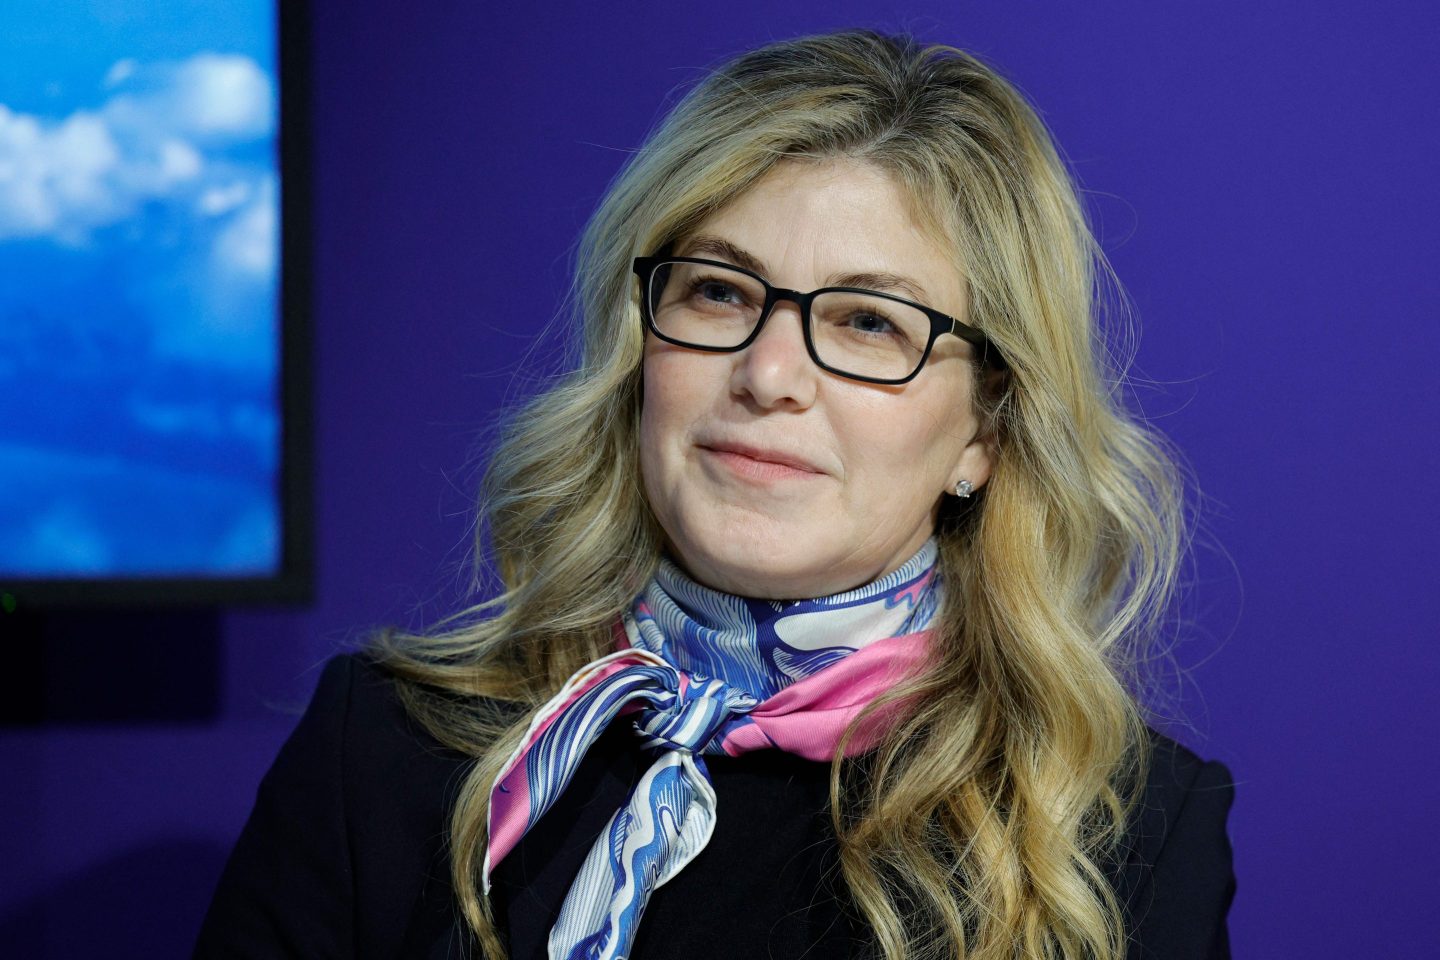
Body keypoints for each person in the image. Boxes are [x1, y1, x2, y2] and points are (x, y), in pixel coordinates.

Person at [195, 29, 1236, 960]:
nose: (769, 374)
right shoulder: (380, 749)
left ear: (986, 432)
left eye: (869, 322)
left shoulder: (1119, 835)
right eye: (720, 291)